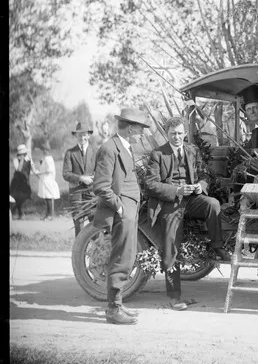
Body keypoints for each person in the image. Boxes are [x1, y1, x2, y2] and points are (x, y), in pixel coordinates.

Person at [145, 116, 228, 311]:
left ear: (184, 133)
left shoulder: (192, 151)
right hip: (169, 202)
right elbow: (150, 184)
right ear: (167, 134)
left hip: (191, 199)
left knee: (213, 204)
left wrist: (200, 186)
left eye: (180, 133)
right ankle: (174, 296)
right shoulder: (158, 154)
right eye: (173, 134)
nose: (177, 137)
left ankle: (217, 246)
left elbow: (204, 175)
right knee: (171, 241)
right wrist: (176, 191)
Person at [93, 108, 150, 325]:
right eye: (140, 130)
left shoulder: (124, 147)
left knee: (127, 257)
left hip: (129, 211)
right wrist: (119, 208)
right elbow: (101, 186)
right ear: (130, 128)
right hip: (121, 213)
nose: (142, 134)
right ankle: (113, 309)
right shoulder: (109, 149)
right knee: (120, 258)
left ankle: (118, 303)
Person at [63, 122, 97, 237]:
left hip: (92, 194)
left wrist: (94, 179)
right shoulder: (70, 153)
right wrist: (81, 178)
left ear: (88, 135)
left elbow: (101, 171)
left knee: (95, 225)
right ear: (75, 136)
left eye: (84, 135)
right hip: (76, 194)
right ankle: (79, 253)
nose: (82, 138)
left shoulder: (95, 152)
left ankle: (97, 253)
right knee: (79, 225)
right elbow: (66, 174)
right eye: (79, 135)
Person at [35, 141, 61, 220]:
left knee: (49, 197)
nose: (44, 151)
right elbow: (44, 167)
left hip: (48, 179)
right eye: (43, 150)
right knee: (46, 198)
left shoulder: (48, 158)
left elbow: (49, 170)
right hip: (45, 179)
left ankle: (50, 215)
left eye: (45, 150)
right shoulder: (46, 158)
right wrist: (41, 163)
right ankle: (47, 215)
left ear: (48, 151)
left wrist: (39, 172)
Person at [10, 144, 33, 220]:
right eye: (22, 153)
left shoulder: (29, 159)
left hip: (25, 181)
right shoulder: (16, 160)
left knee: (23, 197)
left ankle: (16, 213)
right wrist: (22, 160)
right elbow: (18, 169)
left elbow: (32, 169)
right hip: (17, 182)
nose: (24, 154)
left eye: (24, 153)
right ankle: (16, 213)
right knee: (16, 198)